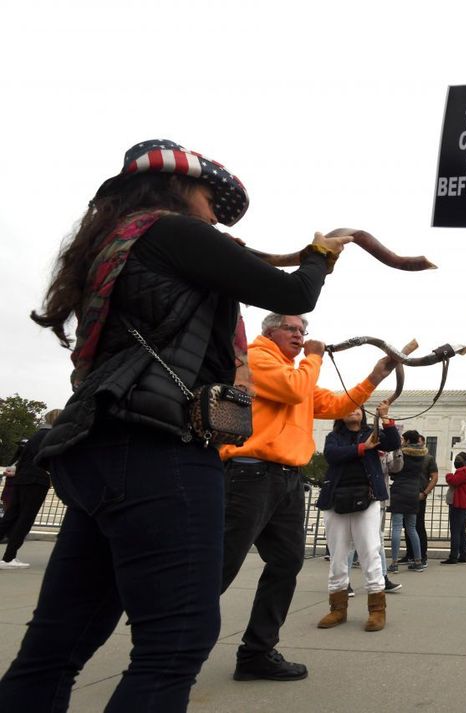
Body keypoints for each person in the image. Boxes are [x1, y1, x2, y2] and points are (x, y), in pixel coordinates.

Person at [2, 139, 355, 712]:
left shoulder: (115, 247)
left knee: (55, 646)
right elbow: (292, 291)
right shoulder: (173, 233)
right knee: (175, 644)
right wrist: (322, 252)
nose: (214, 214)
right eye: (209, 200)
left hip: (98, 445)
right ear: (177, 190)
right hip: (159, 450)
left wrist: (215, 261)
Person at [218, 312, 400, 682]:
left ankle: (257, 651)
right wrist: (314, 356)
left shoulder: (296, 372)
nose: (301, 336)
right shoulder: (258, 357)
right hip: (249, 473)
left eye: (304, 331)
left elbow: (334, 404)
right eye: (293, 329)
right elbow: (291, 389)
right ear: (269, 332)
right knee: (219, 564)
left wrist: (375, 377)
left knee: (286, 563)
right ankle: (166, 644)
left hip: (286, 478)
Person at [316, 403, 399, 631]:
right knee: (338, 554)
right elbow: (333, 456)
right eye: (348, 408)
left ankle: (377, 610)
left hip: (367, 498)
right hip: (336, 499)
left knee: (370, 551)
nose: (353, 411)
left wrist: (385, 419)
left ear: (363, 413)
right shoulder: (334, 437)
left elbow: (393, 443)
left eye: (357, 408)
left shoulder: (372, 433)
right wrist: (363, 448)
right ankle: (338, 608)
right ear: (339, 415)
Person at [0, 409, 61, 569]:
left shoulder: (36, 435)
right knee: (25, 519)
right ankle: (9, 557)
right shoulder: (51, 437)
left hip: (21, 479)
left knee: (10, 516)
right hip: (36, 480)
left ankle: (8, 557)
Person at [387, 431, 427, 573]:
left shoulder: (402, 453)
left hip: (400, 490)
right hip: (413, 491)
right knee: (412, 528)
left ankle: (394, 562)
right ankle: (418, 561)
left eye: (404, 439)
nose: (402, 441)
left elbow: (394, 469)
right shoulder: (422, 455)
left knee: (397, 527)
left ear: (408, 440)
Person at [399, 430, 438, 566]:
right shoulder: (403, 455)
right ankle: (410, 554)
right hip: (406, 493)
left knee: (418, 526)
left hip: (419, 495)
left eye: (421, 441)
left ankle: (422, 555)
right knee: (406, 525)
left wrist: (425, 492)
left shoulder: (428, 458)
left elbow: (434, 476)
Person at [442, 451, 466, 563]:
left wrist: (448, 475)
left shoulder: (463, 471)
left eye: (458, 459)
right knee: (461, 530)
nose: (456, 461)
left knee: (455, 530)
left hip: (459, 504)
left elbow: (453, 481)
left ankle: (453, 556)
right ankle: (463, 555)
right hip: (465, 504)